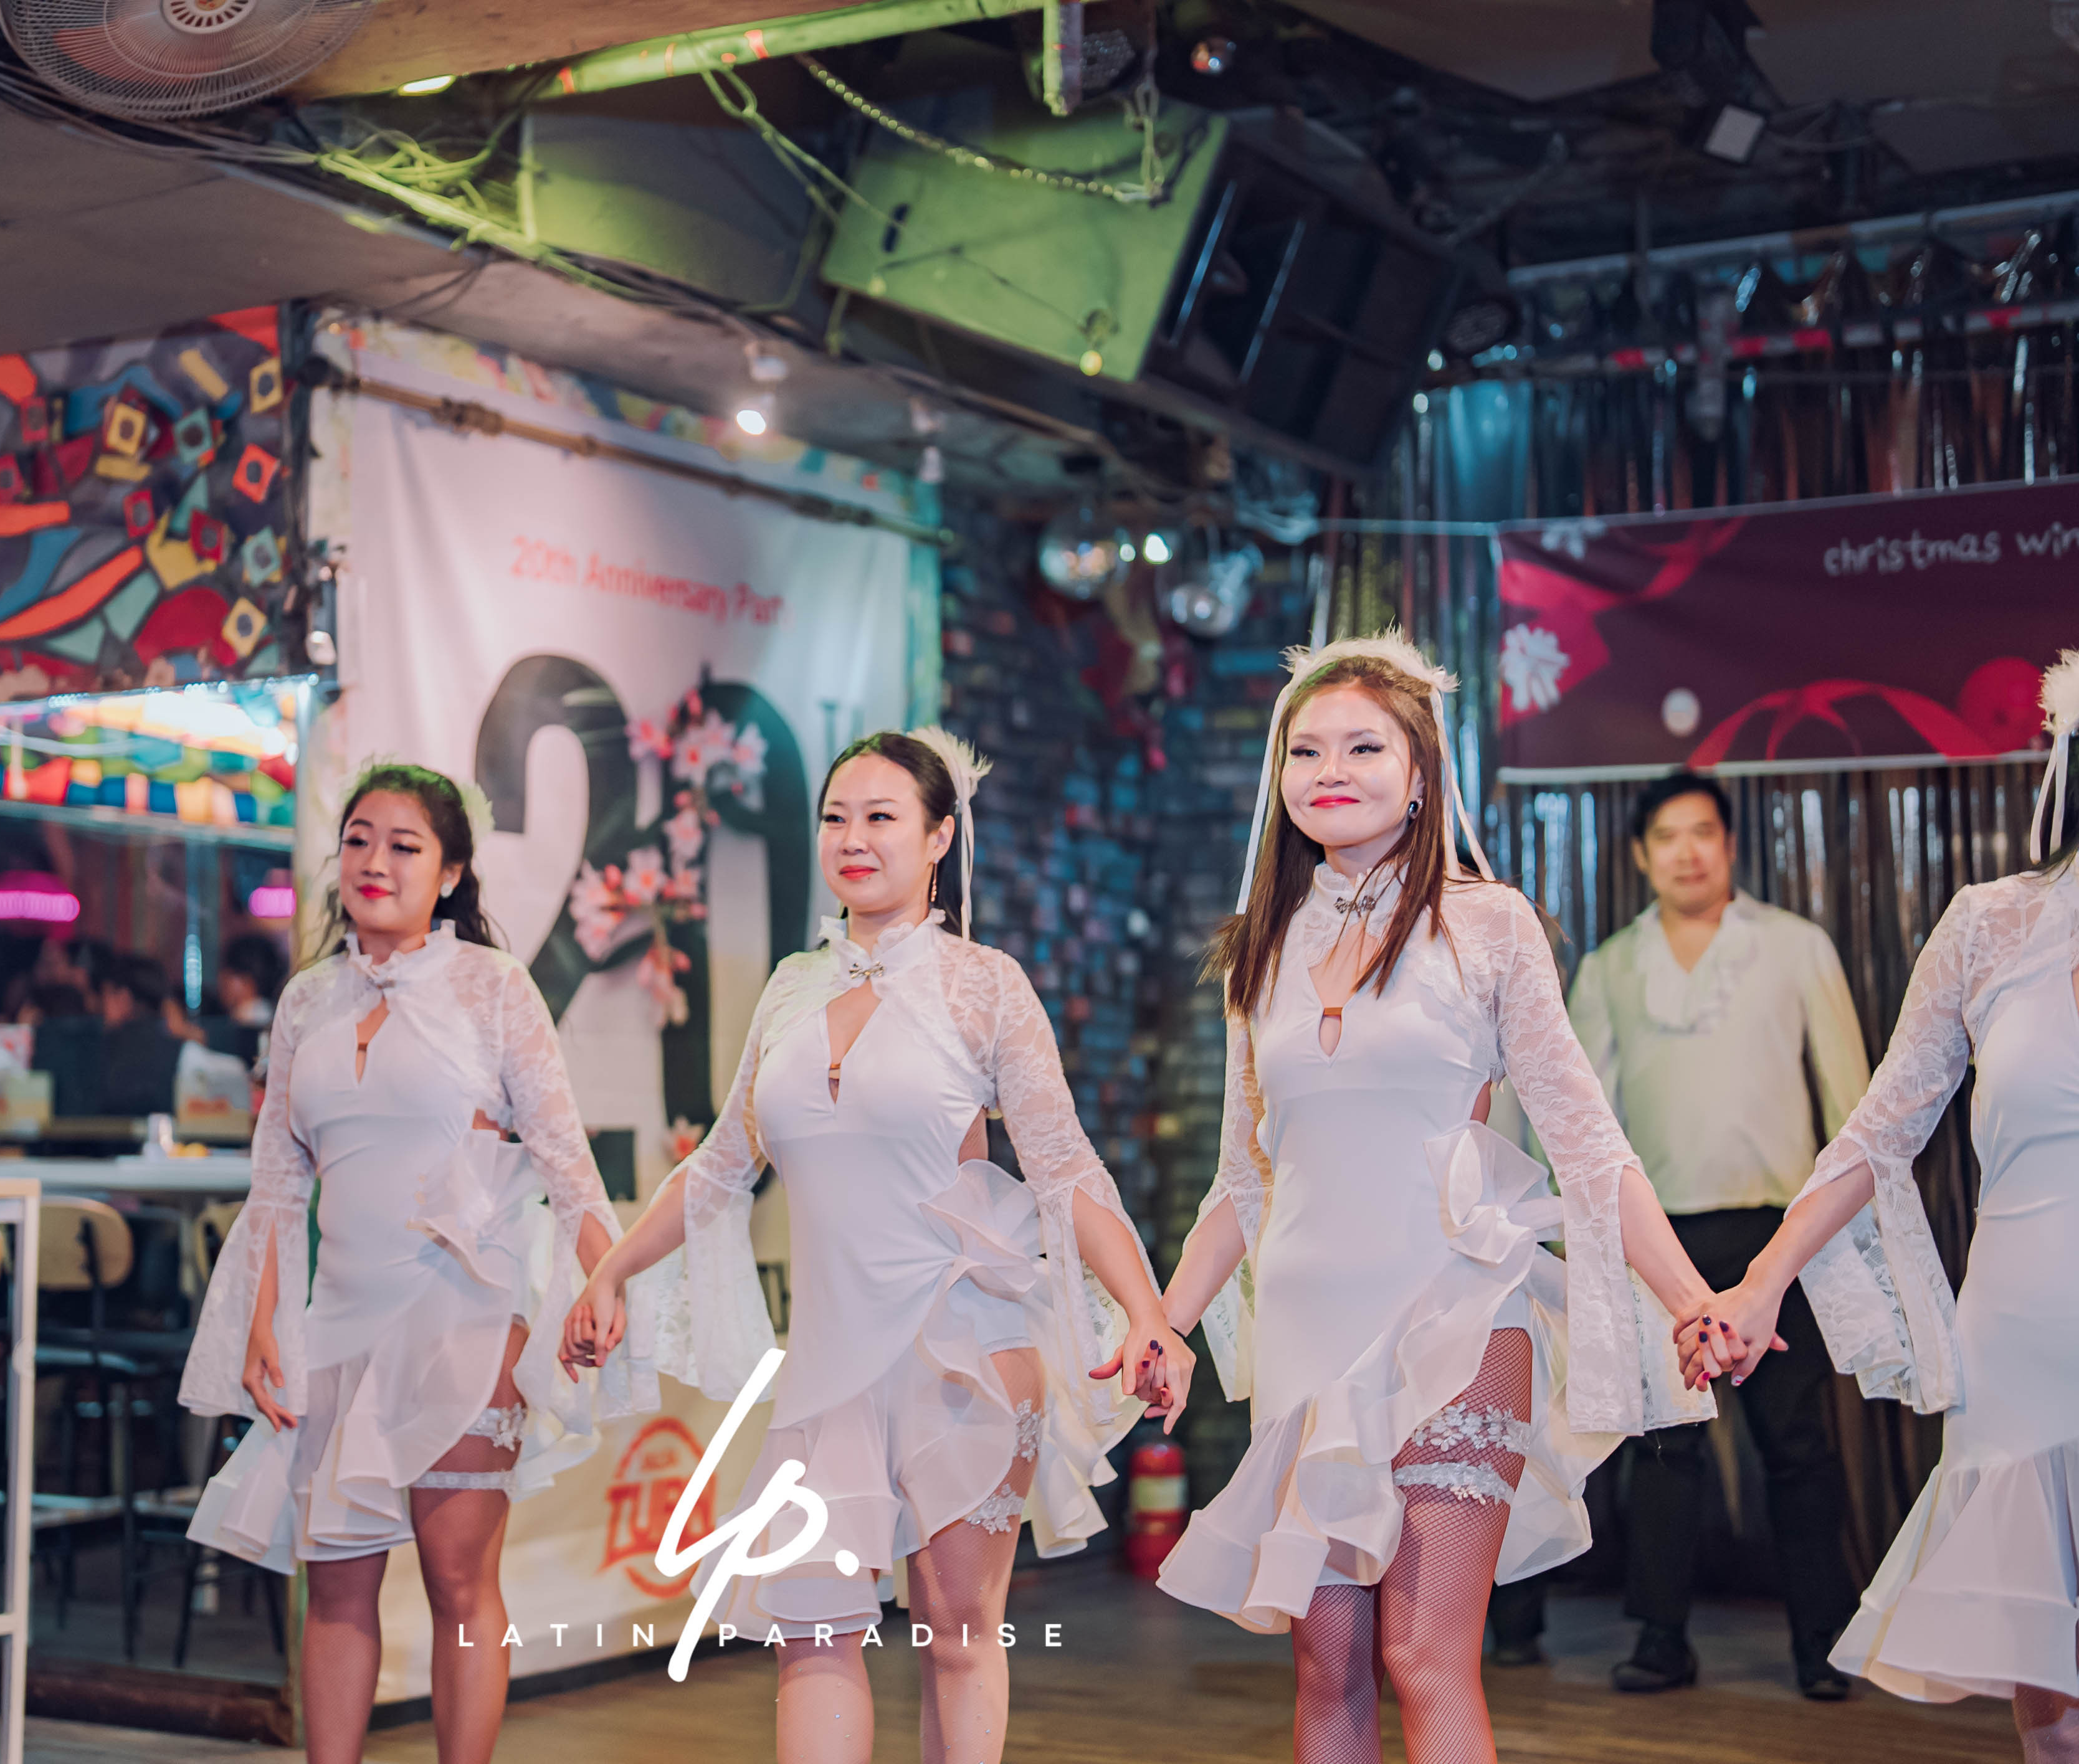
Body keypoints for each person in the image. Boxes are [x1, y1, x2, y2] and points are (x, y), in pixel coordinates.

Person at [1151, 633, 1737, 1764]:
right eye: (1307, 750)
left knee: (1424, 1653)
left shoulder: (1488, 922)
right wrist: (1166, 1321)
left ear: (1420, 772)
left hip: (1455, 1309)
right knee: (1327, 1664)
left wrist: (1689, 1295)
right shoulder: (1260, 947)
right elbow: (1244, 1175)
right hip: (1308, 1334)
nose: (1332, 768)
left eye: (1365, 747)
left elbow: (1586, 1141)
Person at [561, 728, 1191, 1764]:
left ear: (940, 837)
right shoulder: (790, 986)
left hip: (962, 1349)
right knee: (809, 1637)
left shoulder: (984, 984)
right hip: (827, 1372)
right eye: (835, 818)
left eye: (882, 817)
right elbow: (720, 1165)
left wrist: (1148, 1311)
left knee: (957, 1636)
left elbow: (1064, 1167)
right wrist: (611, 1269)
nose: (853, 838)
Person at [181, 762, 644, 1764]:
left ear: (451, 872)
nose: (375, 861)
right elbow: (277, 1185)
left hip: (461, 1319)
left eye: (404, 845)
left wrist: (604, 1278)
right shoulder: (307, 1000)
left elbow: (565, 1158)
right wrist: (263, 1322)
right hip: (337, 1323)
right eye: (358, 839)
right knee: (336, 1587)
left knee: (459, 1582)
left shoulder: (493, 986)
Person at [1687, 655, 2079, 1760]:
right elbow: (1878, 1129)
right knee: (2054, 1713)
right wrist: (1763, 1280)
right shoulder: (1992, 926)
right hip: (2025, 1350)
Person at [1546, 771, 1868, 1697]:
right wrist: (1572, 1244)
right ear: (1640, 855)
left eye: (1703, 834)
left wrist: (1840, 1235)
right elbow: (1578, 1121)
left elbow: (1855, 1108)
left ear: (1729, 845)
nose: (1687, 853)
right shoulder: (1609, 967)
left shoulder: (1797, 947)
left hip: (1779, 1240)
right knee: (1663, 1448)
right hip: (1657, 1244)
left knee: (1799, 1445)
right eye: (1667, 837)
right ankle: (1660, 1640)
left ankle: (1823, 1645)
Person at [97, 955, 183, 1116]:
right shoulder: (181, 1049)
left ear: (124, 999)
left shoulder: (101, 1050)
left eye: (106, 997)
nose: (101, 1008)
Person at [216, 933, 285, 1029]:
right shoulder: (276, 1014)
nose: (220, 981)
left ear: (247, 981)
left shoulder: (245, 1017)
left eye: (227, 975)